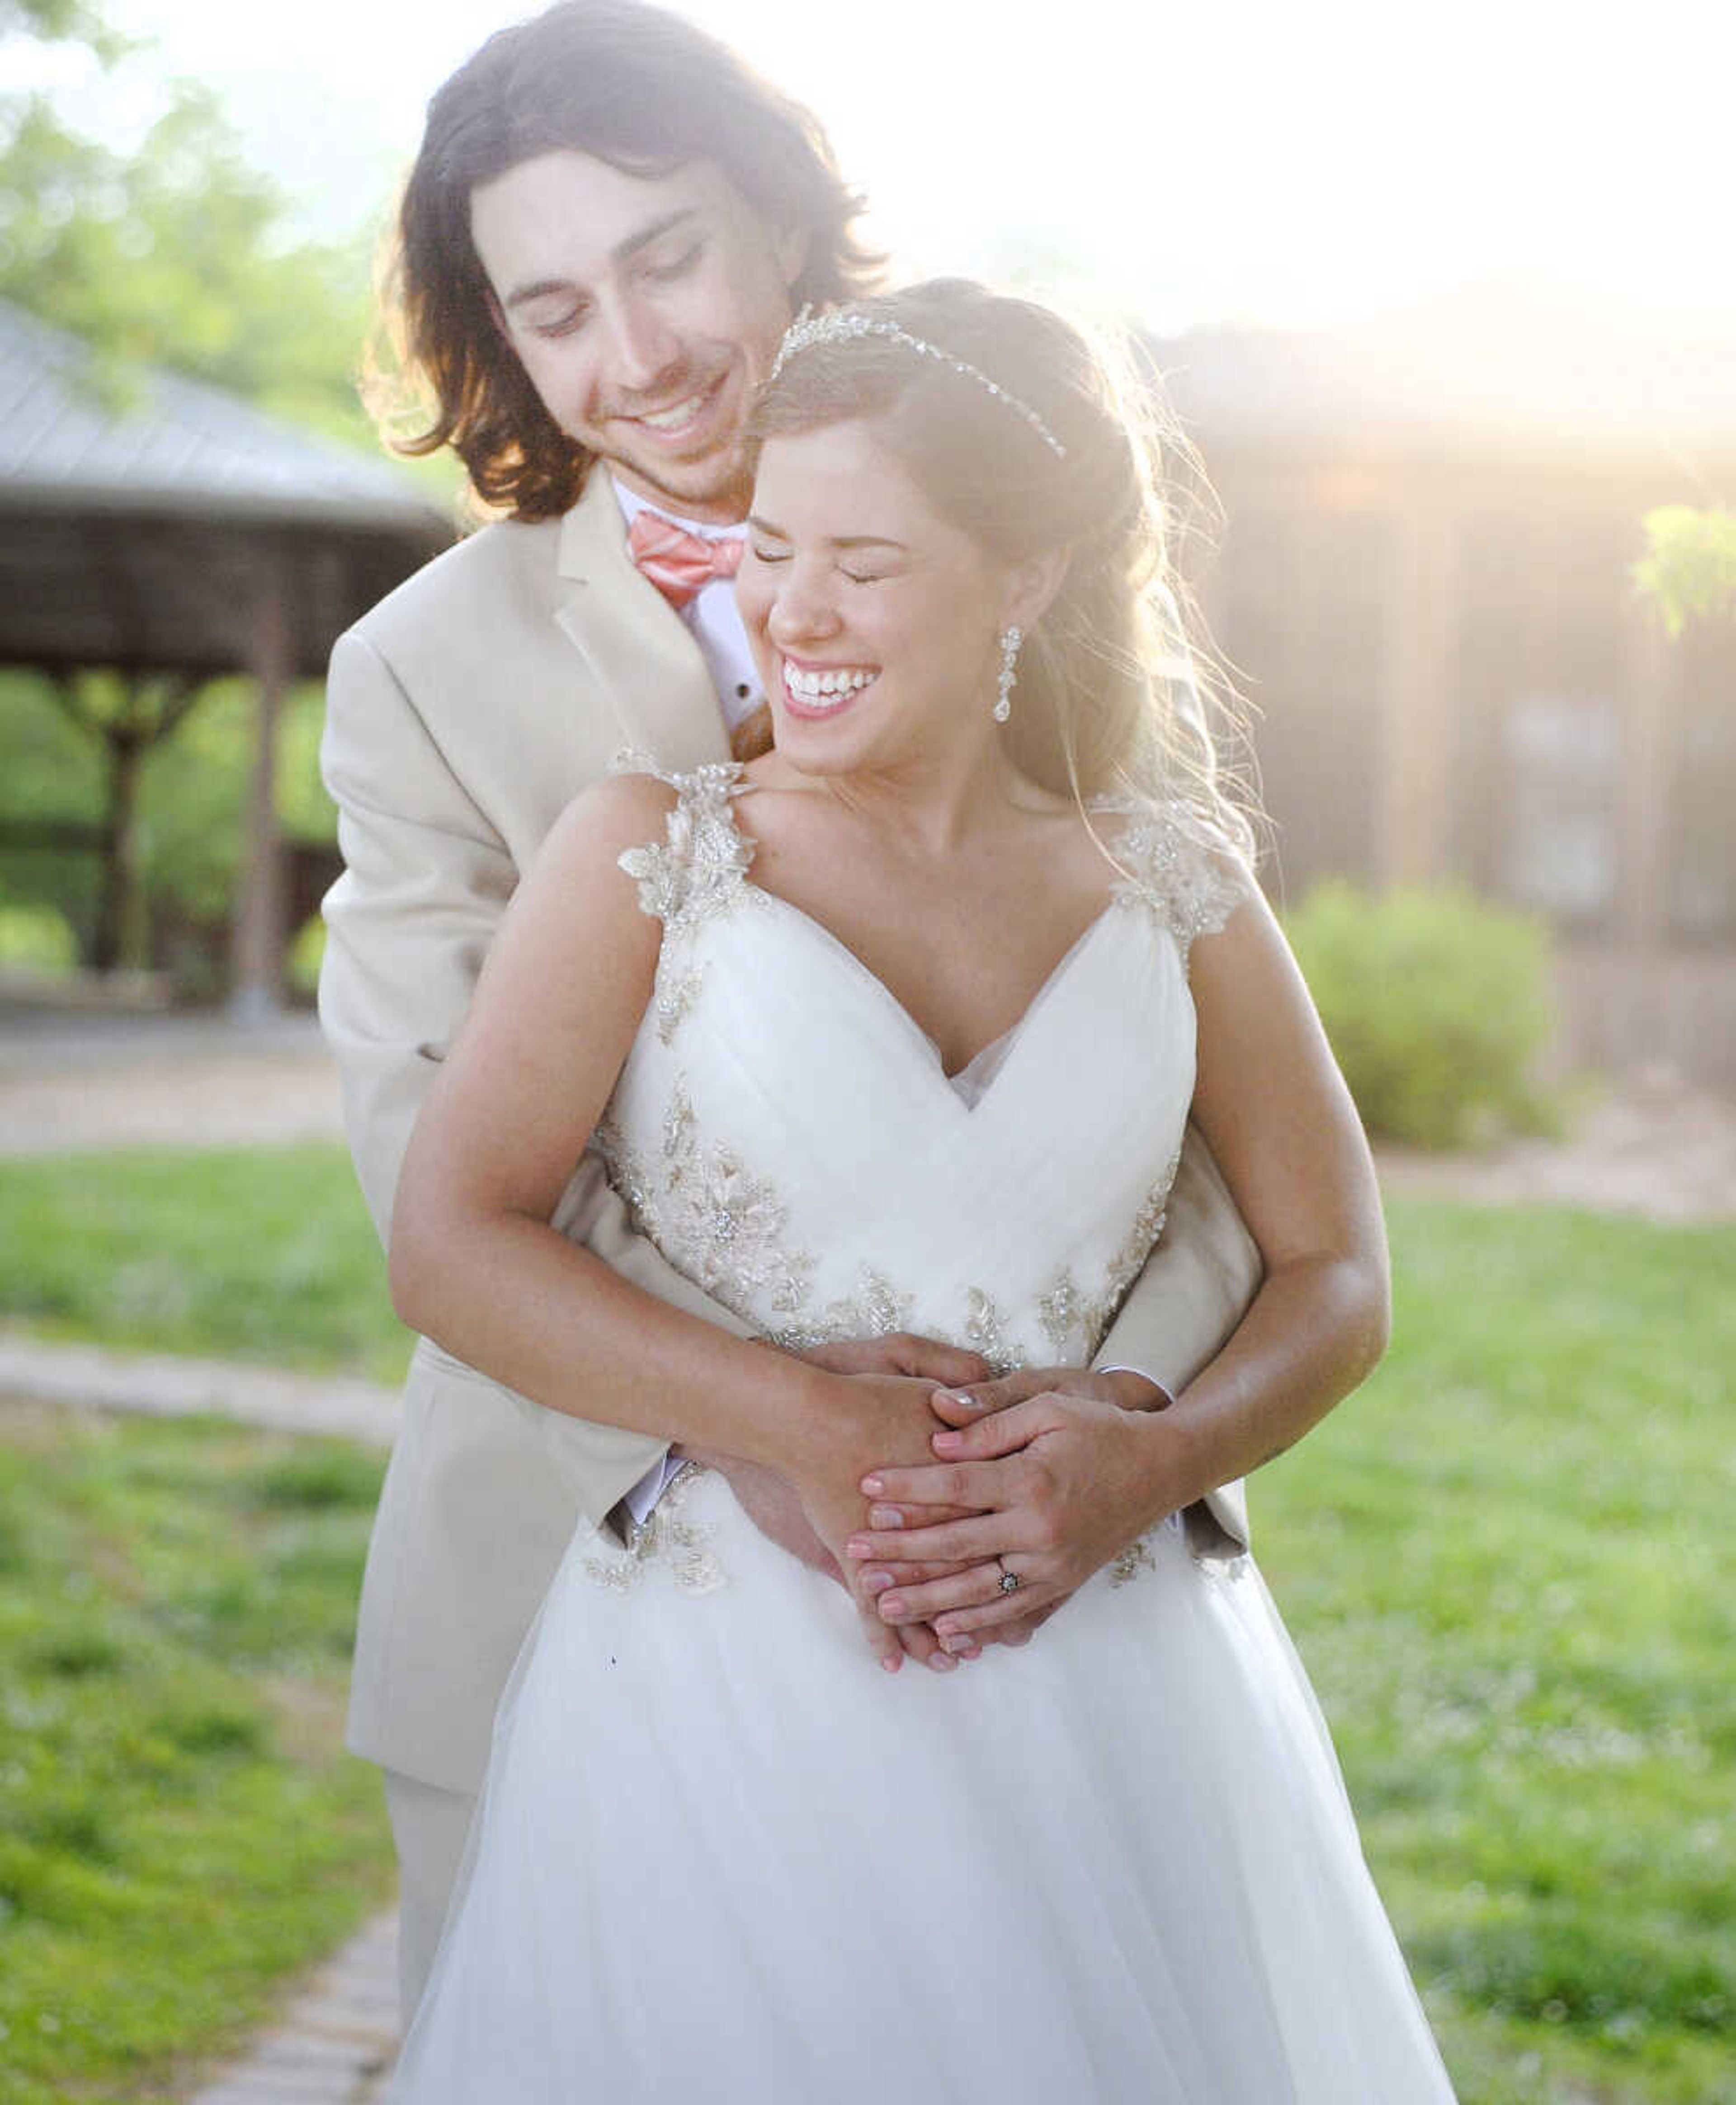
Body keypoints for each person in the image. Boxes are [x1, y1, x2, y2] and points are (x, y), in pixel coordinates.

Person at [381, 279, 1458, 2100]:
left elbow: (1334, 1269)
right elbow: (449, 1238)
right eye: (769, 544)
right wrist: (791, 1420)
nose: (787, 609)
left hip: (1120, 1684)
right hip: (727, 1689)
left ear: (1025, 579)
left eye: (864, 563)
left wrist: (1158, 1459)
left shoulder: (1178, 886)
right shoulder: (650, 856)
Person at [319, 0, 1262, 2024]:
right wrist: (767, 1427)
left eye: (665, 256)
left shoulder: (1027, 543)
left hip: (1048, 1565)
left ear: (778, 218)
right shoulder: (421, 670)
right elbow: (436, 1150)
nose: (634, 353)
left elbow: (1156, 1061)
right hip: (590, 1554)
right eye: (554, 305)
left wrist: (1083, 1442)